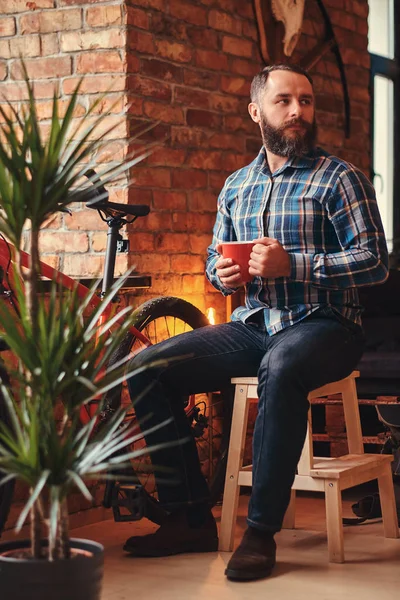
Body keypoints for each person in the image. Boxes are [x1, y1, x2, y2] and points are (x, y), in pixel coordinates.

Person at [123, 64, 388, 581]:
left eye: (306, 101)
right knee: (147, 367)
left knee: (282, 364)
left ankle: (261, 532)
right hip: (256, 324)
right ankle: (188, 517)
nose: (297, 111)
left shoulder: (339, 178)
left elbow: (375, 262)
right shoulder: (236, 186)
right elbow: (213, 260)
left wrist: (298, 264)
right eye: (285, 101)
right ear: (256, 112)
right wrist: (220, 274)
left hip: (327, 324)